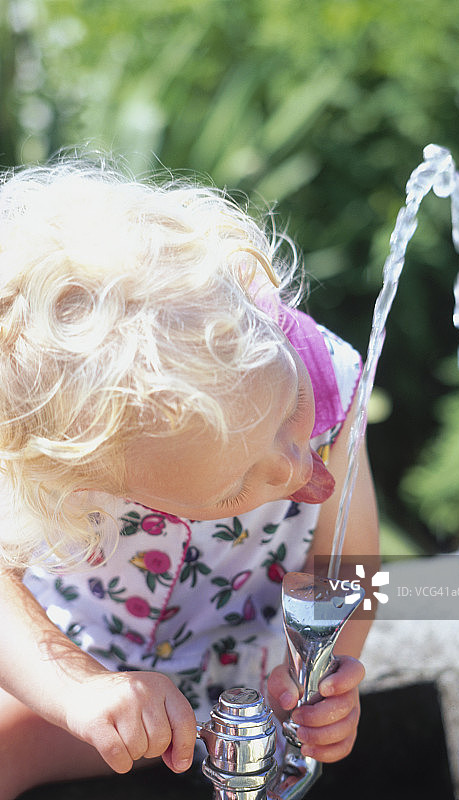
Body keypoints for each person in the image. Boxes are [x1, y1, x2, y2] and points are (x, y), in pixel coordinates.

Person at [0, 160, 379, 798]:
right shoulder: (69, 453)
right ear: (103, 480)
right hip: (96, 674)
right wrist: (80, 692)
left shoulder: (325, 384)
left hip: (245, 686)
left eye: (288, 412)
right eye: (233, 492)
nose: (292, 465)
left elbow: (353, 563)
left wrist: (330, 670)